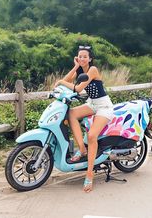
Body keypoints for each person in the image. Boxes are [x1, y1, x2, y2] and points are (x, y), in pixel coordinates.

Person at [54, 45, 114, 193]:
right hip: (92, 104)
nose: (82, 59)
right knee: (71, 114)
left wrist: (61, 82)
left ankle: (89, 174)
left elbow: (78, 88)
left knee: (92, 135)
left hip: (103, 106)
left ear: (90, 59)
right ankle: (81, 149)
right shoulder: (80, 69)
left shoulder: (92, 70)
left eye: (84, 57)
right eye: (79, 56)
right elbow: (67, 80)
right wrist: (75, 67)